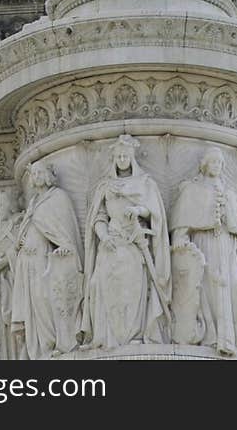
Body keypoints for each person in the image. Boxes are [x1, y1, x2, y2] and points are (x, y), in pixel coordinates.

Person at [169, 148, 237, 356]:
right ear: (205, 165)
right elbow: (182, 224)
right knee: (209, 286)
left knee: (233, 286)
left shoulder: (229, 193)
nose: (217, 166)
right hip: (204, 244)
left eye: (220, 163)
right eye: (213, 162)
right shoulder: (192, 190)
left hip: (227, 245)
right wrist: (181, 244)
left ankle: (236, 339)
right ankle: (211, 337)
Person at [81, 135, 171, 349]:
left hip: (133, 243)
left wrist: (138, 210)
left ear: (132, 158)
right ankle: (105, 337)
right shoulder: (105, 186)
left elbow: (154, 210)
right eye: (119, 156)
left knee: (132, 290)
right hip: (110, 244)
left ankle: (133, 334)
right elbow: (99, 217)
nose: (122, 159)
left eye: (125, 156)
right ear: (113, 159)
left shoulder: (145, 183)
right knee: (98, 285)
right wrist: (103, 236)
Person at [11, 160, 83, 359]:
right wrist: (21, 240)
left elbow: (65, 231)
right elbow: (28, 228)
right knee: (34, 304)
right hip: (28, 261)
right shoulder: (33, 202)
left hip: (46, 258)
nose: (36, 177)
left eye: (40, 172)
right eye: (33, 174)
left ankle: (56, 342)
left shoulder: (58, 197)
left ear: (49, 175)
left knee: (46, 299)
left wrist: (65, 247)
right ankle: (43, 347)